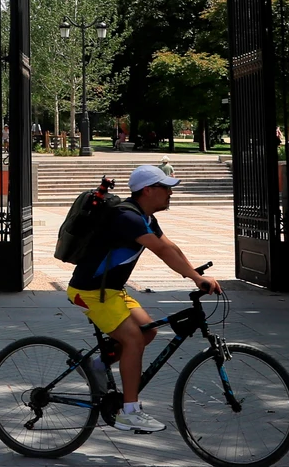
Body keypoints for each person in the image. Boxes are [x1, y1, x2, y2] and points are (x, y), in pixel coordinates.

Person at [67, 163, 221, 434]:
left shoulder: (145, 217)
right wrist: (196, 279)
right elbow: (161, 250)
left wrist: (195, 272)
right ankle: (130, 411)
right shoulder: (126, 217)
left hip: (111, 291)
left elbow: (170, 246)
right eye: (165, 188)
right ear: (148, 190)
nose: (170, 194)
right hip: (90, 292)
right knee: (133, 339)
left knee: (147, 332)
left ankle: (96, 366)